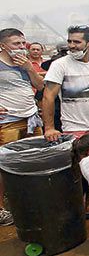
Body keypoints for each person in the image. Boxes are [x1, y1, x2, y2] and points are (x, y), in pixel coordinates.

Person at [0, 28, 45, 226]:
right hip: (8, 121)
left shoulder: (25, 64)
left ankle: (32, 200)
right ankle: (1, 209)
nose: (21, 48)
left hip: (31, 119)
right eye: (15, 44)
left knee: (34, 160)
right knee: (4, 165)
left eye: (22, 44)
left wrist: (29, 68)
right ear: (3, 46)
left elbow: (41, 86)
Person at [43, 25, 89, 140]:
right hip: (74, 127)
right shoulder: (59, 64)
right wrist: (49, 128)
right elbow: (48, 96)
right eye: (69, 41)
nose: (72, 46)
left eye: (77, 42)